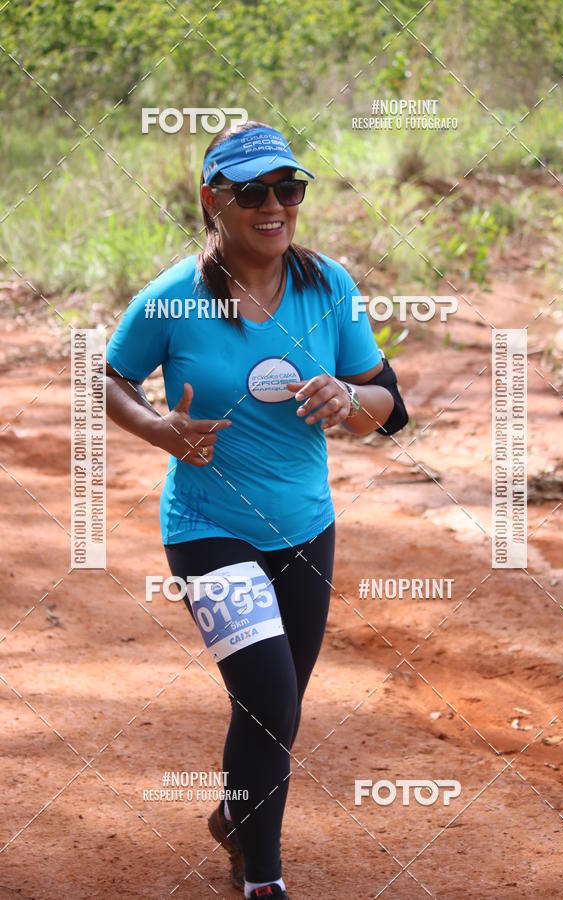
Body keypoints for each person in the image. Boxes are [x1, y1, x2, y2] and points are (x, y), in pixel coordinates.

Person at [105, 120, 408, 899]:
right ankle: (262, 879)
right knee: (269, 698)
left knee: (275, 706)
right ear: (213, 201)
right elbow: (104, 379)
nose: (275, 206)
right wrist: (158, 430)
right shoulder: (172, 300)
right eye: (253, 192)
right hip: (208, 530)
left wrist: (349, 398)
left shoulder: (328, 286)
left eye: (289, 188)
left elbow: (391, 406)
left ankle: (235, 818)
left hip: (307, 529)